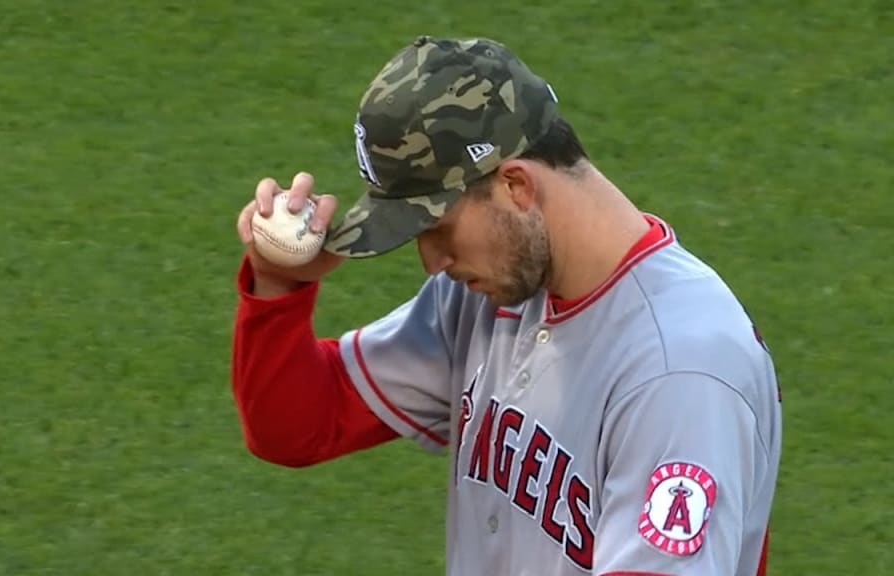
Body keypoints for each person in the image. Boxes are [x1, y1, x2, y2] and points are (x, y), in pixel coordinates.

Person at [231, 35, 782, 576]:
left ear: (515, 185)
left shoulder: (680, 371)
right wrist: (278, 284)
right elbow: (298, 425)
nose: (432, 261)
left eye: (437, 227)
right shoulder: (487, 296)